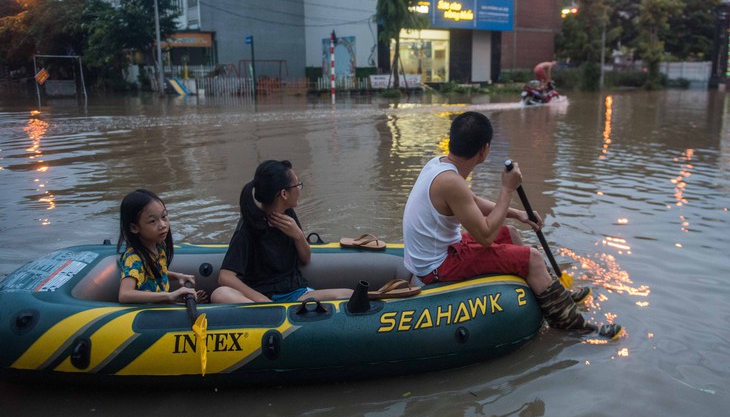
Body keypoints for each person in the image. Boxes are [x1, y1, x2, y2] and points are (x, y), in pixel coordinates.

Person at [402, 111, 620, 336]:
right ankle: (577, 329)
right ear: (484, 150)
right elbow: (485, 237)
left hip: (440, 252)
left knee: (512, 233)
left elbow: (472, 201)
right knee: (533, 258)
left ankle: (556, 295)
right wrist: (506, 189)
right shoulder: (450, 182)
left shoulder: (438, 164)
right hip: (437, 266)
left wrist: (517, 214)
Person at [211, 160, 353, 304]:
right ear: (284, 194)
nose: (299, 189)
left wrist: (297, 235)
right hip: (261, 300)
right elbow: (225, 277)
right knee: (220, 294)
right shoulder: (248, 227)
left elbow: (306, 259)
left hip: (296, 295)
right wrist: (261, 300)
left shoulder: (289, 215)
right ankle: (270, 312)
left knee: (349, 295)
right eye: (297, 185)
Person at [117, 189, 207, 304]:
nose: (163, 225)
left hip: (162, 304)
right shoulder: (134, 259)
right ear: (134, 228)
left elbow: (154, 274)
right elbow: (125, 295)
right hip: (148, 312)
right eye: (153, 221)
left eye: (164, 216)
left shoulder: (158, 247)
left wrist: (178, 276)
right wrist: (169, 296)